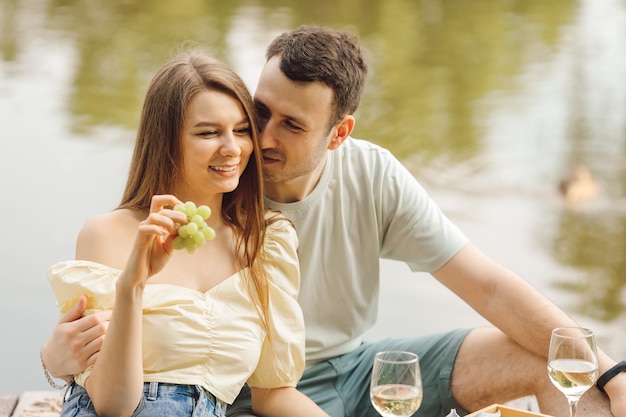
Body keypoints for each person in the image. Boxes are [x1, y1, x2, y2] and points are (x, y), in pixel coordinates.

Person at [41, 27, 626, 417]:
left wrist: (610, 372)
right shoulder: (214, 194)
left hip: (354, 367)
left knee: (553, 362)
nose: (256, 143)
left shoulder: (367, 176)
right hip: (245, 397)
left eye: (289, 126)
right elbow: (127, 290)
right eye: (258, 114)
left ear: (338, 134)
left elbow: (491, 286)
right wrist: (55, 359)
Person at [44, 49, 330, 417]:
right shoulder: (108, 234)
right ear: (166, 140)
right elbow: (112, 405)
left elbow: (274, 394)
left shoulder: (266, 243)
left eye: (242, 131)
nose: (232, 149)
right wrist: (132, 284)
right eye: (209, 133)